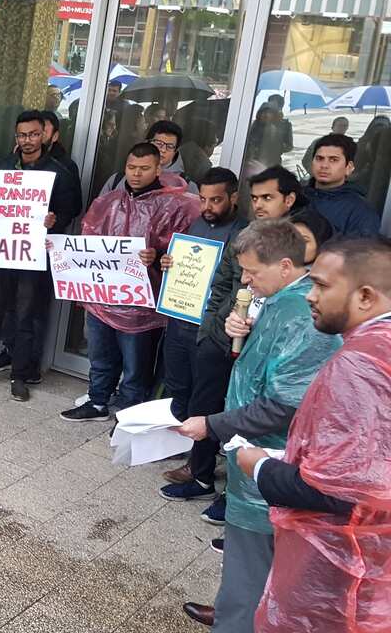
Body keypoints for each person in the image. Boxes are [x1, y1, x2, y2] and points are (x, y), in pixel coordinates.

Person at [176, 219, 341, 632]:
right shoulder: (277, 301)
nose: (244, 281)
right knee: (246, 568)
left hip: (269, 460)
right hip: (251, 455)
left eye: (252, 272)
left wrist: (212, 424)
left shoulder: (303, 316)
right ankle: (234, 611)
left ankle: (237, 619)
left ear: (286, 266)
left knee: (254, 567)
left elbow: (286, 404)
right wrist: (241, 332)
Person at [246, 238, 391, 633]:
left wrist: (259, 466)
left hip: (341, 574)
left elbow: (340, 491)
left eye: (323, 286)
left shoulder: (360, 364)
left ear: (364, 296)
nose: (310, 295)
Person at [163, 166, 309, 515]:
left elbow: (280, 404)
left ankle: (237, 494)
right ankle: (201, 476)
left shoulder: (302, 247)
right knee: (208, 402)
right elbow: (224, 286)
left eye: (268, 197)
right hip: (221, 337)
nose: (259, 204)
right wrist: (212, 328)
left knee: (245, 417)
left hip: (259, 357)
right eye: (255, 197)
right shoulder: (245, 237)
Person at [61, 142, 199, 421]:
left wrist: (159, 254)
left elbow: (189, 252)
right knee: (100, 354)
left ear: (159, 168)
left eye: (144, 168)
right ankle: (98, 401)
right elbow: (87, 242)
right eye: (131, 167)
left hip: (140, 302)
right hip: (102, 293)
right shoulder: (107, 202)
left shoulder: (178, 205)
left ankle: (129, 413)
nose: (136, 174)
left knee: (136, 363)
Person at [0, 110, 81, 401]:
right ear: (15, 136)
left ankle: (19, 375)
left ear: (44, 135)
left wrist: (57, 220)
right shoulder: (0, 166)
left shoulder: (59, 171)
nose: (27, 140)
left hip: (32, 253)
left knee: (26, 315)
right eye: (21, 135)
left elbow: (72, 209)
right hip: (0, 250)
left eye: (33, 134)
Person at [156, 167, 247, 501]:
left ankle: (201, 470)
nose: (208, 206)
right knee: (179, 385)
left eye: (216, 200)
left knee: (204, 400)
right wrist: (168, 263)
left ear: (234, 197)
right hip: (180, 318)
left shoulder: (243, 233)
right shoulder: (196, 225)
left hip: (211, 329)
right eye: (204, 199)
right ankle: (187, 451)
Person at [303, 133, 380, 238]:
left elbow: (362, 251)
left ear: (349, 167)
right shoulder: (297, 196)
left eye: (333, 160)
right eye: (319, 158)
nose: (324, 166)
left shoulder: (360, 211)